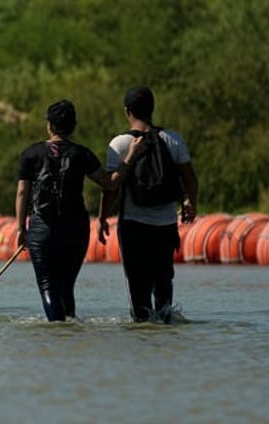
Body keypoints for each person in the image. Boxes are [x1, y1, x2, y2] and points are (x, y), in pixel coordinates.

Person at [16, 99, 146, 321]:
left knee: (48, 285)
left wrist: (21, 228)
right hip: (75, 228)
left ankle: (57, 329)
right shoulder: (82, 154)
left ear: (49, 125)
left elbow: (22, 193)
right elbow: (110, 183)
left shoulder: (31, 154)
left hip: (41, 228)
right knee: (66, 286)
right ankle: (69, 331)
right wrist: (131, 155)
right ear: (73, 125)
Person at [97, 86, 198, 324]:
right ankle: (165, 326)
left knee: (137, 287)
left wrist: (102, 217)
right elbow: (190, 177)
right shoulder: (172, 139)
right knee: (164, 283)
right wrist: (191, 202)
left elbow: (111, 187)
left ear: (127, 111)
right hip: (165, 224)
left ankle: (143, 332)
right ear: (152, 109)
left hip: (134, 225)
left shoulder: (120, 144)